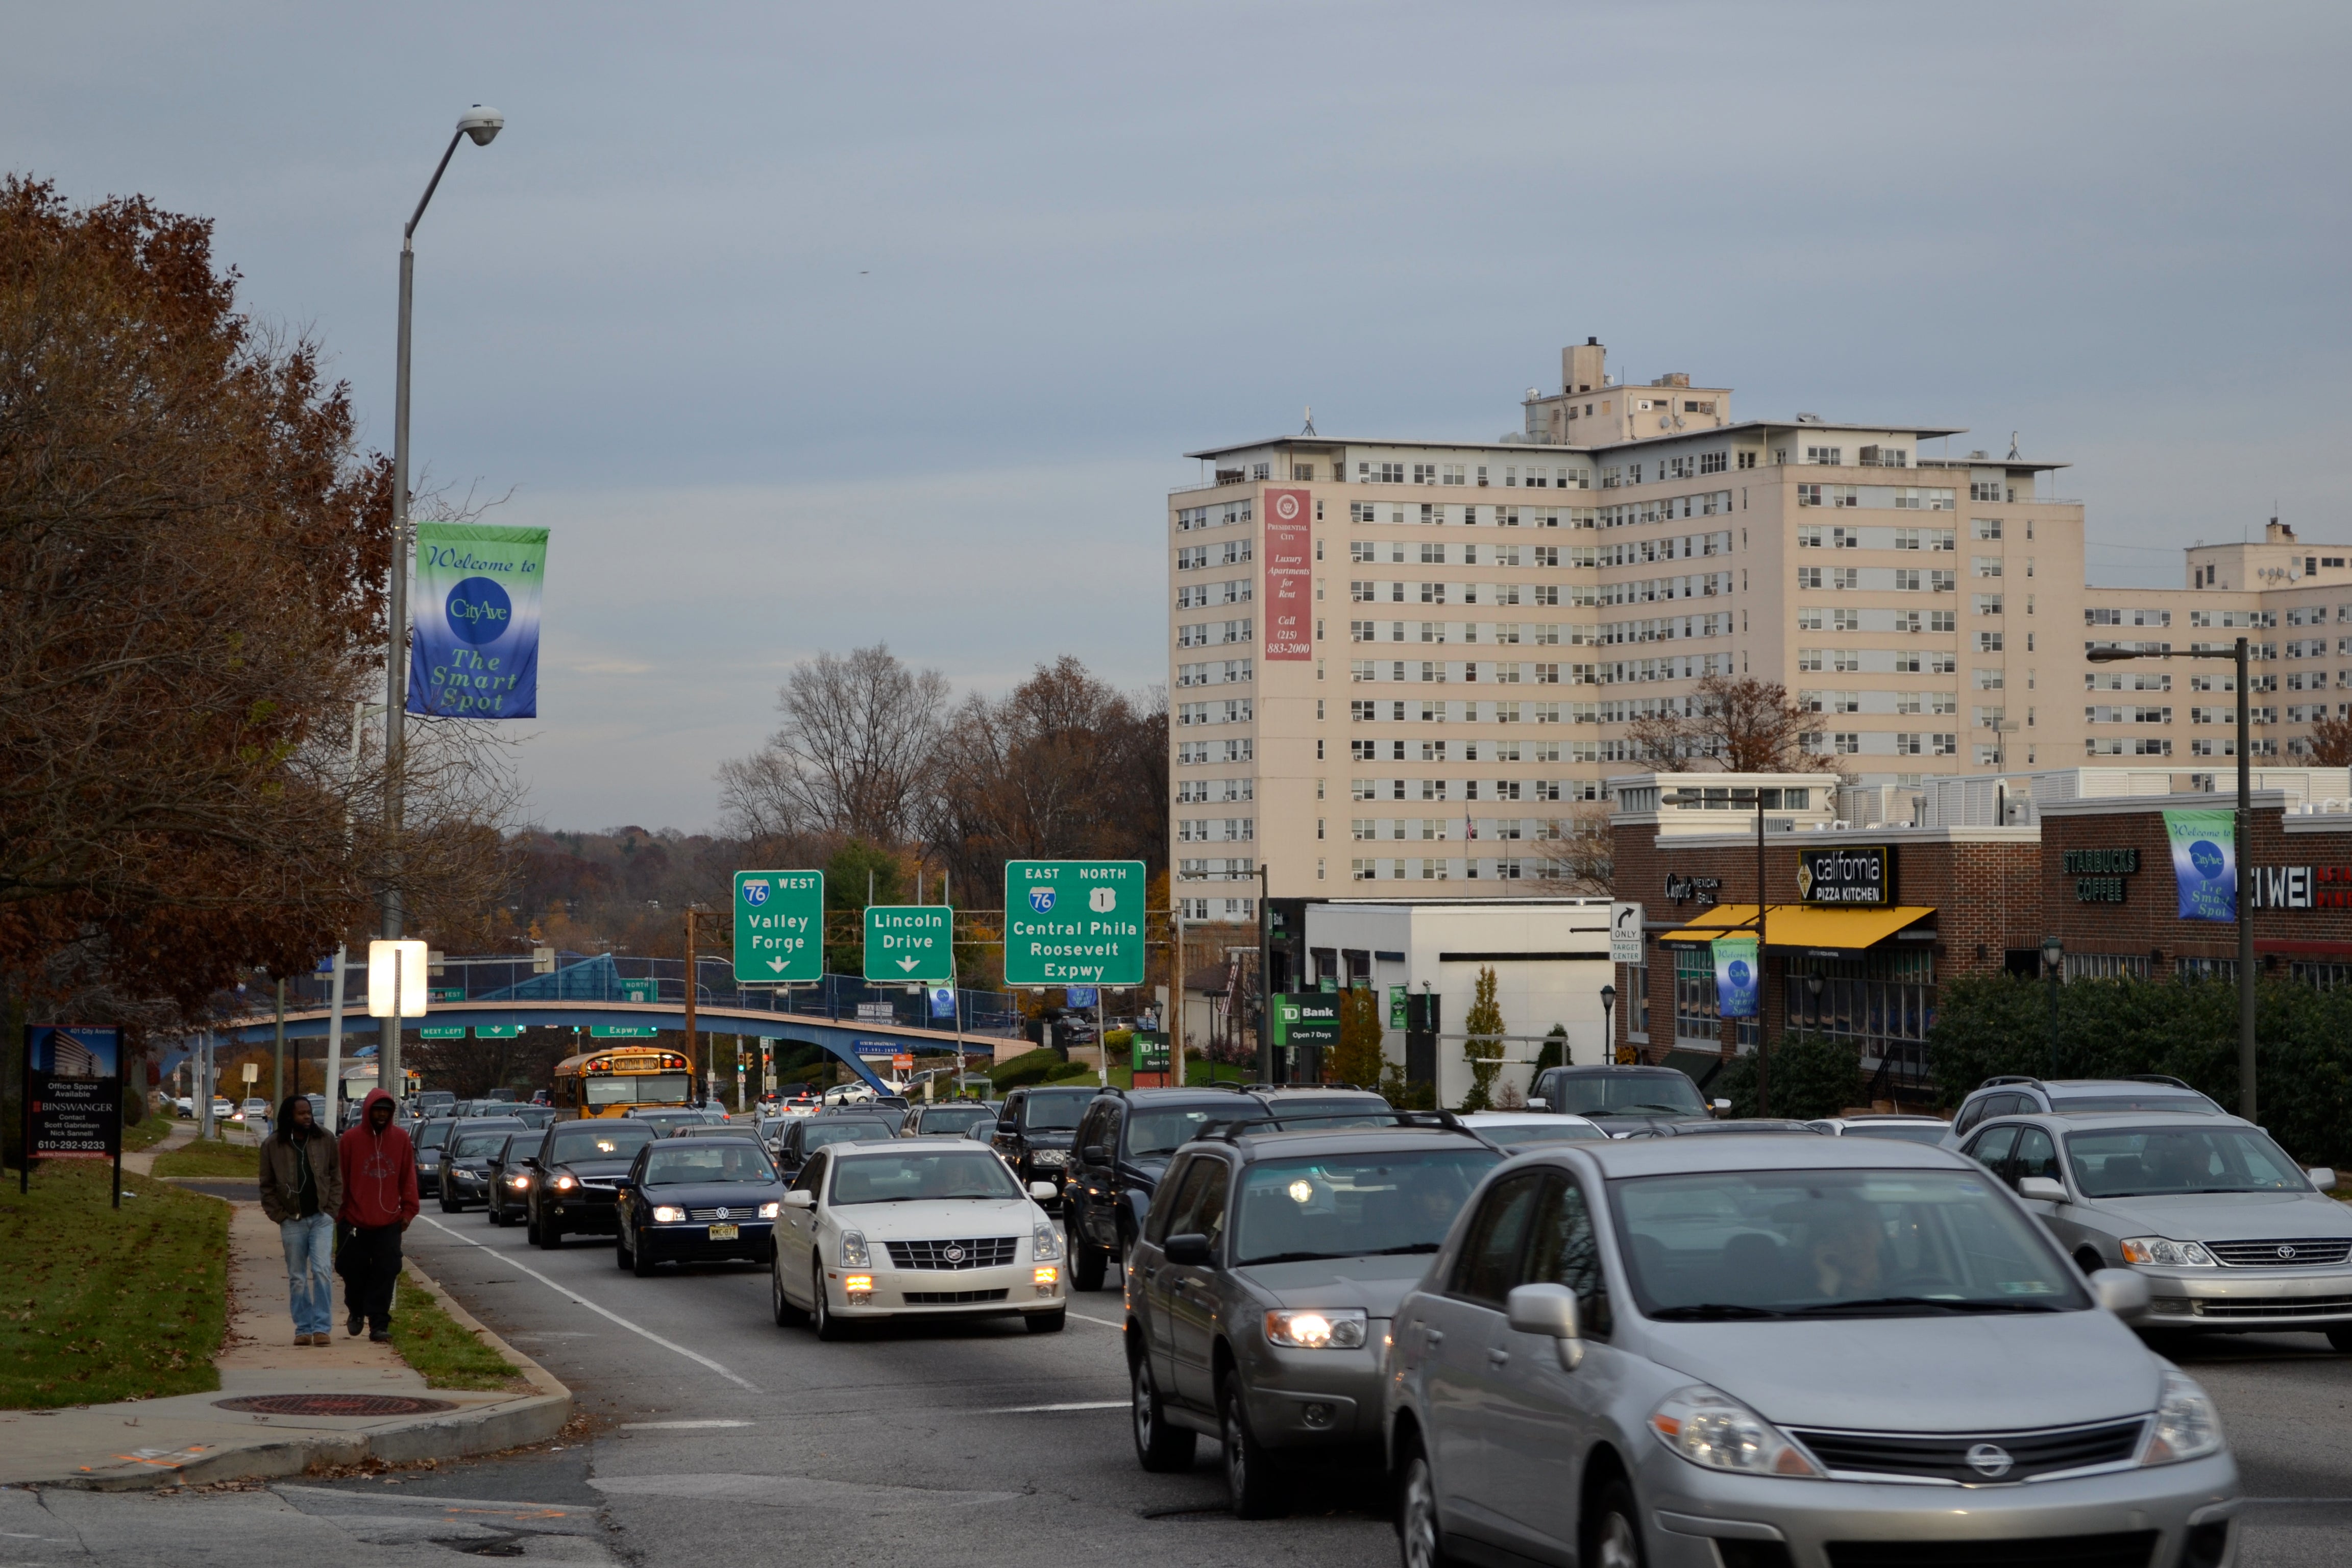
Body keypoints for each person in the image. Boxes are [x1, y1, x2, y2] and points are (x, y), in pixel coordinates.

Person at [258, 1093, 345, 1346]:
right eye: (301, 1113)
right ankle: (303, 1328)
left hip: (321, 1218)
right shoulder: (272, 1145)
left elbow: (335, 1176)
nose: (307, 1117)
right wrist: (280, 1216)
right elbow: (267, 1185)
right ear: (289, 1116)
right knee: (297, 1276)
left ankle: (322, 1328)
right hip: (292, 1220)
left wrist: (331, 1210)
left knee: (322, 1271)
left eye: (309, 1112)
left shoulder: (325, 1139)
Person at [337, 1087, 419, 1341]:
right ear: (368, 1112)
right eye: (377, 1110)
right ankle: (356, 1309)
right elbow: (341, 1178)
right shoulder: (350, 1140)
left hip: (389, 1221)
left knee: (387, 1269)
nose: (382, 1115)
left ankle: (378, 1324)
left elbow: (408, 1178)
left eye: (386, 1111)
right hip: (354, 1220)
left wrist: (408, 1211)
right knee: (352, 1269)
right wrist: (340, 1215)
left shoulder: (401, 1139)